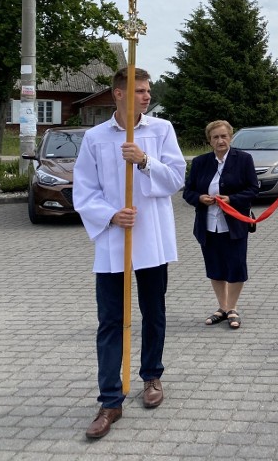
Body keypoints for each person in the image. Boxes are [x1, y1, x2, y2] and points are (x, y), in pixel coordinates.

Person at [73, 67, 186, 439]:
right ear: (118, 94)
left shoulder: (161, 130)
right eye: (138, 90)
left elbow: (176, 179)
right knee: (110, 321)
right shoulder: (95, 137)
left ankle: (152, 376)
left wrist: (144, 161)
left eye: (148, 90)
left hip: (150, 238)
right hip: (113, 240)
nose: (146, 96)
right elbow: (84, 191)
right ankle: (109, 399)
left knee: (153, 312)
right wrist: (110, 214)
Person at [183, 120, 259, 329]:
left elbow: (253, 189)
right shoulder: (200, 162)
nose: (220, 140)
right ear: (209, 141)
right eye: (215, 137)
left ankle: (232, 308)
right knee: (215, 267)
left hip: (234, 224)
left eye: (224, 136)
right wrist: (199, 198)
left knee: (235, 266)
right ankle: (222, 308)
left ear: (230, 137)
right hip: (208, 225)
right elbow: (188, 192)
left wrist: (231, 199)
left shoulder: (243, 159)